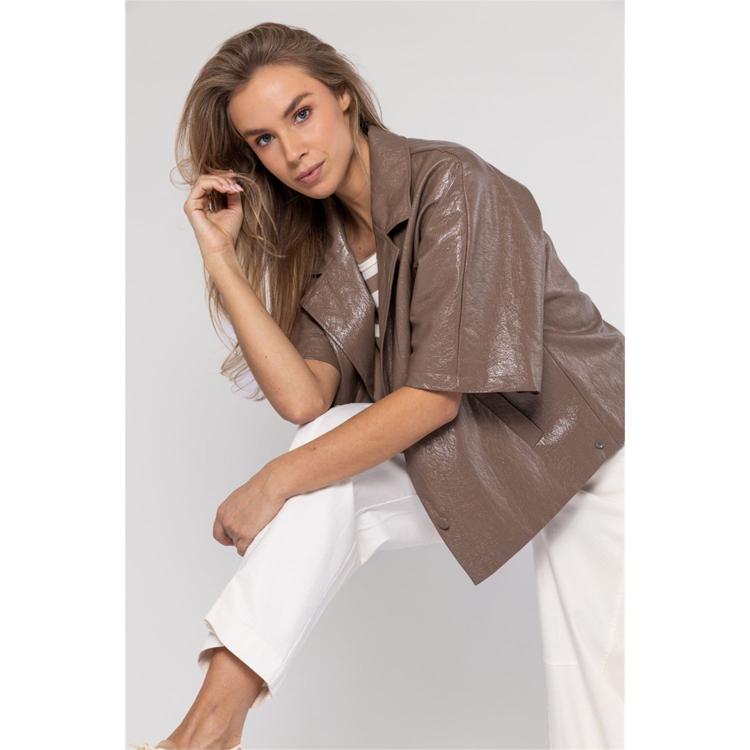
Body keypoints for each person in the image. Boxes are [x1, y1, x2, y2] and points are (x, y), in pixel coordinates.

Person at [131, 21, 624, 750]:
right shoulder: (327, 248)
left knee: (615, 723)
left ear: (343, 97)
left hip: (601, 454)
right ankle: (206, 732)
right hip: (504, 452)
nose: (292, 150)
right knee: (326, 449)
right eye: (264, 139)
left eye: (301, 113)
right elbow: (305, 399)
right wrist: (221, 259)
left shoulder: (450, 183)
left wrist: (271, 481)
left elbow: (434, 398)